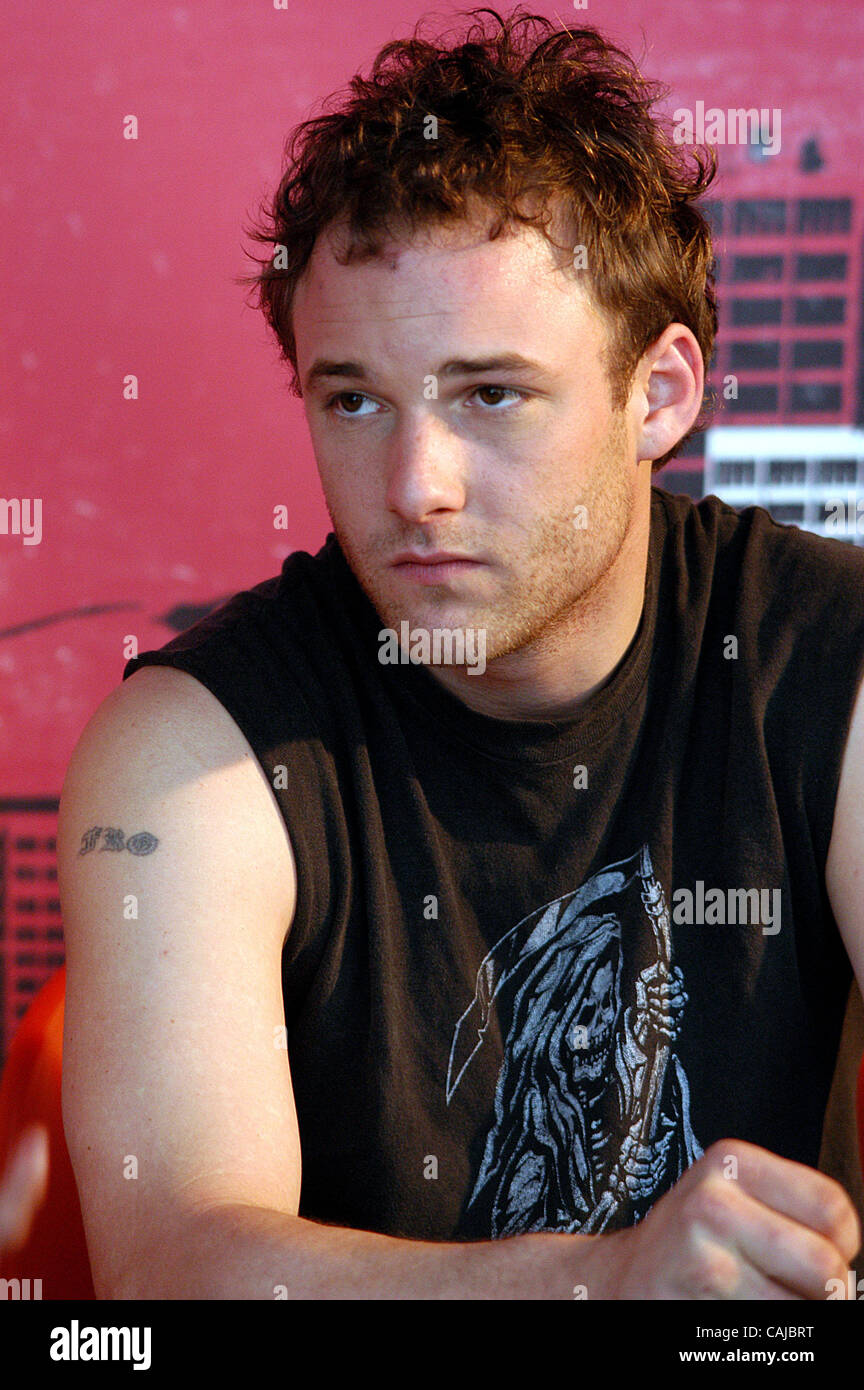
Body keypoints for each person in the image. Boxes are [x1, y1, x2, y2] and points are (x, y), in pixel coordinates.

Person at [58, 8, 864, 1299]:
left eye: (492, 393)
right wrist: (605, 1285)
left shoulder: (830, 655)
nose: (414, 486)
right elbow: (171, 1267)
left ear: (659, 395)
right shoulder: (192, 745)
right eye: (355, 400)